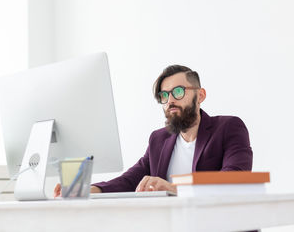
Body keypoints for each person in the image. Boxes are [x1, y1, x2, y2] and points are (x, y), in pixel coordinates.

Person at [54, 65, 253, 197]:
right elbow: (130, 180)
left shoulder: (228, 128)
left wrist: (173, 189)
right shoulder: (159, 139)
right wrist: (89, 189)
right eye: (164, 96)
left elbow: (234, 177)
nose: (170, 101)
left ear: (200, 95)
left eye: (178, 91)